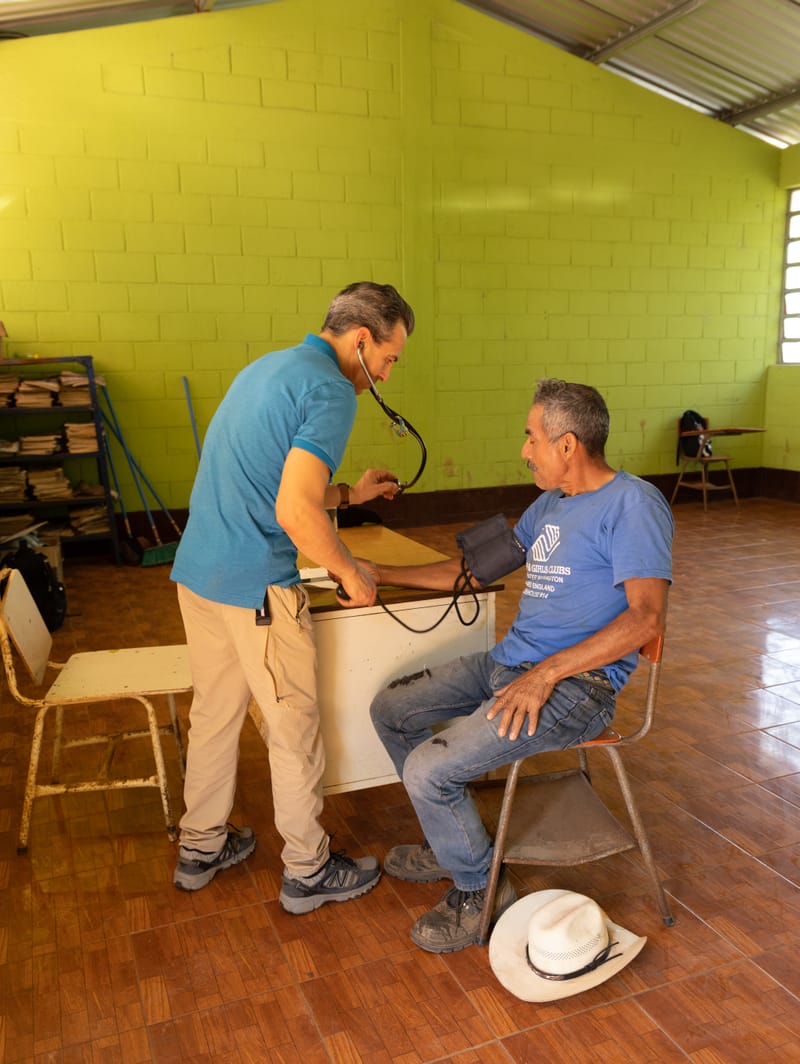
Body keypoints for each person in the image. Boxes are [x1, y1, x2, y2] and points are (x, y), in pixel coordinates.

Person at [367, 379, 673, 953]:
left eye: (532, 437)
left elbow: (645, 620)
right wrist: (379, 572)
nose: (525, 450)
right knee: (391, 708)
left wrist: (546, 673)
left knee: (429, 772)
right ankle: (451, 836)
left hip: (574, 687)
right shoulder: (549, 504)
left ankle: (478, 889)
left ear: (567, 445)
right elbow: (473, 572)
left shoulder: (635, 504)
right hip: (513, 665)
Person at [170, 281, 415, 912]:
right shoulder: (332, 391)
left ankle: (200, 845)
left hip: (200, 574)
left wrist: (351, 497)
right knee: (294, 728)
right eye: (389, 359)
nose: (386, 375)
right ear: (362, 340)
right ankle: (308, 869)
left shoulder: (271, 367)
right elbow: (293, 512)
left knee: (215, 714)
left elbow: (270, 484)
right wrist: (351, 569)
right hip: (253, 584)